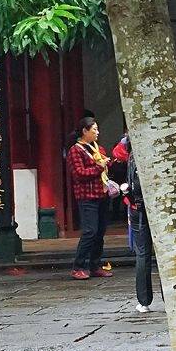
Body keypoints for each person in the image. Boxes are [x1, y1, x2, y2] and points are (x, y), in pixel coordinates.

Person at [107, 133, 156, 312]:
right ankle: (170, 298)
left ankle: (143, 301)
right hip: (157, 209)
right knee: (164, 254)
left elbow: (117, 152)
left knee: (142, 254)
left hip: (135, 207)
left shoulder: (128, 150)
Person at [66, 116, 116, 279]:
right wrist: (98, 167)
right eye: (94, 129)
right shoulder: (76, 150)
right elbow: (79, 174)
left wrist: (107, 163)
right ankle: (78, 266)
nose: (97, 132)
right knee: (89, 231)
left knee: (100, 231)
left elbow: (103, 166)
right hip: (87, 196)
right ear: (84, 131)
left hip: (101, 194)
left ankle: (95, 265)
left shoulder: (97, 147)